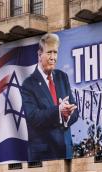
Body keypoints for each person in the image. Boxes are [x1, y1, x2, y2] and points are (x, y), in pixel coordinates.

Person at [21, 33, 79, 162]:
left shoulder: (62, 77)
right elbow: (33, 117)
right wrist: (58, 110)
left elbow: (75, 112)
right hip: (44, 156)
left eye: (55, 53)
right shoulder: (28, 84)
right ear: (39, 54)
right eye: (49, 53)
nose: (53, 57)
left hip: (66, 152)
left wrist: (67, 114)